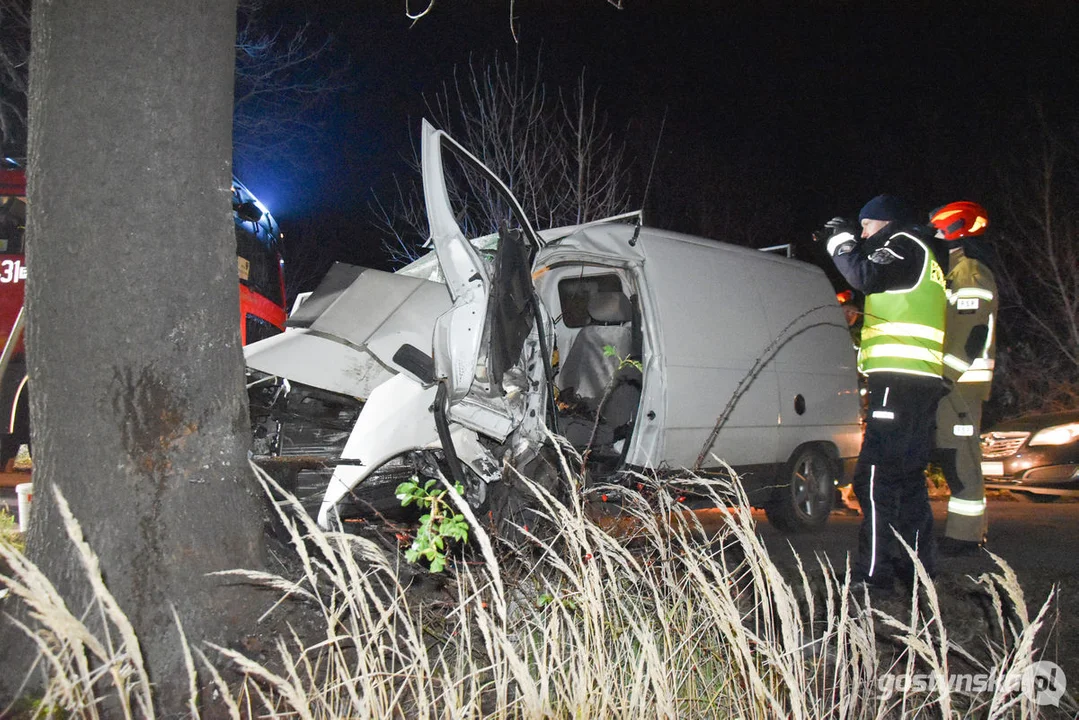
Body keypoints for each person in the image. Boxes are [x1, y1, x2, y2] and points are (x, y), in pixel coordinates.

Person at [822, 194, 947, 591]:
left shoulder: (905, 244)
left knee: (875, 477)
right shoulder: (924, 257)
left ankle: (874, 575)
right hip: (917, 381)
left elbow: (864, 276)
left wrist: (839, 242)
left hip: (899, 381)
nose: (862, 234)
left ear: (886, 222)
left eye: (866, 226)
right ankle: (916, 572)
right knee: (908, 479)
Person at [928, 201, 997, 555]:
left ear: (958, 231)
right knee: (955, 458)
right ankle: (964, 534)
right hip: (955, 386)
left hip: (960, 388)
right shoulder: (956, 272)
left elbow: (972, 334)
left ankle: (966, 537)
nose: (936, 236)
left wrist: (946, 376)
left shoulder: (969, 273)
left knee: (961, 461)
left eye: (941, 230)